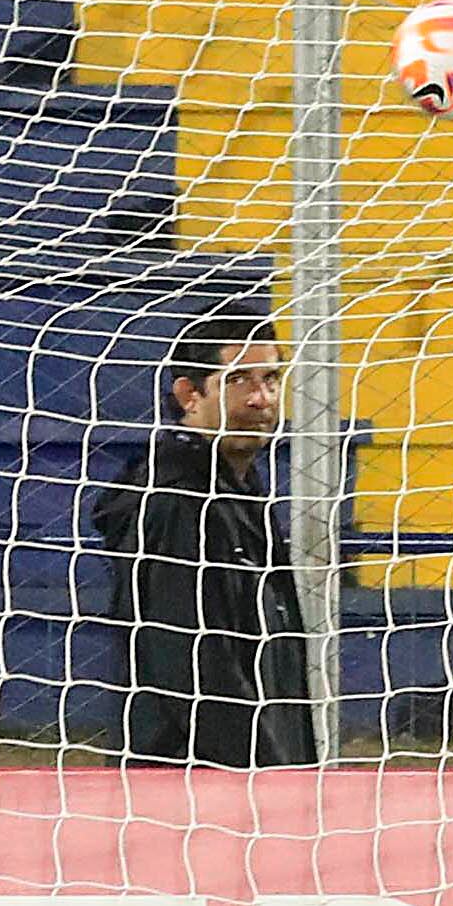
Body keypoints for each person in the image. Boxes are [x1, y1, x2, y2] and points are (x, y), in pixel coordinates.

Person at [89, 310, 312, 767]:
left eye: (271, 379)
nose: (261, 398)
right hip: (193, 791)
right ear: (189, 395)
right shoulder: (176, 500)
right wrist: (266, 775)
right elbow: (190, 664)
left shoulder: (240, 492)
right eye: (239, 381)